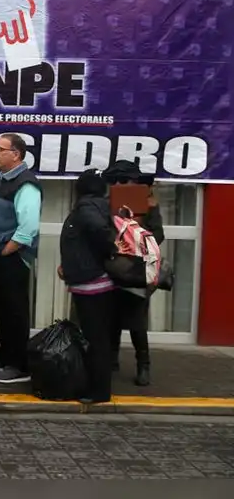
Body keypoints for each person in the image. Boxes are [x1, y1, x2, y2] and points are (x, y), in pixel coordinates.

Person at [0, 133, 42, 385]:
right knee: (2, 308)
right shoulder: (1, 181)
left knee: (15, 312)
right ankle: (5, 356)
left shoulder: (26, 184)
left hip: (13, 257)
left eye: (0, 149)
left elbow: (28, 227)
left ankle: (19, 365)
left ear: (16, 154)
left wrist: (7, 249)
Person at [57, 169, 118, 404]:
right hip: (91, 281)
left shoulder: (87, 207)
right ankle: (95, 386)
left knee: (96, 338)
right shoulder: (98, 205)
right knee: (97, 337)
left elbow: (100, 234)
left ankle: (99, 391)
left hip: (92, 284)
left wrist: (109, 250)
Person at [103, 159, 163, 387]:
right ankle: (111, 360)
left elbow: (158, 234)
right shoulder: (108, 203)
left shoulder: (147, 203)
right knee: (112, 318)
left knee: (137, 322)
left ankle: (143, 365)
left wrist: (136, 242)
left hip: (138, 269)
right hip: (112, 266)